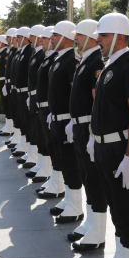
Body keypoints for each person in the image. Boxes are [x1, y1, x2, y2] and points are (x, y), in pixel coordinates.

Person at [90, 12, 129, 258]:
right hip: (104, 146)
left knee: (125, 208)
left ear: (120, 37)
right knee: (115, 206)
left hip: (118, 148)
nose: (98, 40)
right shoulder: (110, 65)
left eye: (104, 35)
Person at [68, 19, 109, 252]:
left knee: (93, 180)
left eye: (80, 35)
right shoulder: (86, 59)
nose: (76, 39)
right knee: (86, 177)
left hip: (88, 128)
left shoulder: (96, 62)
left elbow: (96, 101)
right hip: (80, 126)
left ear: (91, 37)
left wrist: (93, 133)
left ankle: (97, 232)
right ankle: (91, 223)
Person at [44, 21, 84, 225]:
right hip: (57, 120)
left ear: (67, 38)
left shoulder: (72, 60)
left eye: (56, 35)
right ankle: (69, 199)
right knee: (61, 160)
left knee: (71, 163)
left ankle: (76, 206)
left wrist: (71, 118)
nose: (52, 38)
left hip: (67, 121)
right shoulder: (61, 59)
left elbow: (75, 92)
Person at [27, 26, 55, 184]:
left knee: (48, 142)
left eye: (45, 38)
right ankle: (45, 168)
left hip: (48, 106)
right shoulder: (45, 57)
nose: (43, 41)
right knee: (41, 137)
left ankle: (49, 173)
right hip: (40, 103)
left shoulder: (51, 58)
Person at [20, 24, 45, 169]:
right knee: (34, 129)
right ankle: (40, 162)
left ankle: (43, 165)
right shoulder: (37, 54)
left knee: (40, 132)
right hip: (33, 96)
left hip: (39, 98)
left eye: (33, 37)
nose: (31, 39)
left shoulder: (42, 55)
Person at [12, 26, 34, 158]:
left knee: (30, 124)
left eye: (19, 37)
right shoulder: (21, 52)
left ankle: (33, 153)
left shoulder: (29, 52)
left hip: (26, 92)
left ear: (26, 38)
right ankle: (26, 146)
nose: (16, 40)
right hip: (19, 91)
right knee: (23, 121)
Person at [0, 34, 13, 137]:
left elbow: (7, 69)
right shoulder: (2, 53)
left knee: (7, 104)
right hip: (1, 80)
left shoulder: (5, 53)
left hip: (4, 81)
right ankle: (8, 125)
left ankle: (10, 127)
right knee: (5, 104)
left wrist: (6, 84)